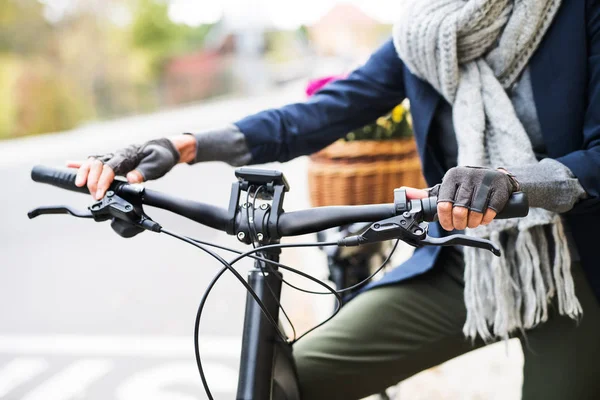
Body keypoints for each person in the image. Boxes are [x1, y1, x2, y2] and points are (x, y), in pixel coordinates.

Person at [70, 1, 600, 398]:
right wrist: (183, 145)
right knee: (286, 383)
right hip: (468, 265)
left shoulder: (579, 12)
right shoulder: (426, 35)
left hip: (577, 270)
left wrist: (513, 181)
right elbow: (321, 113)